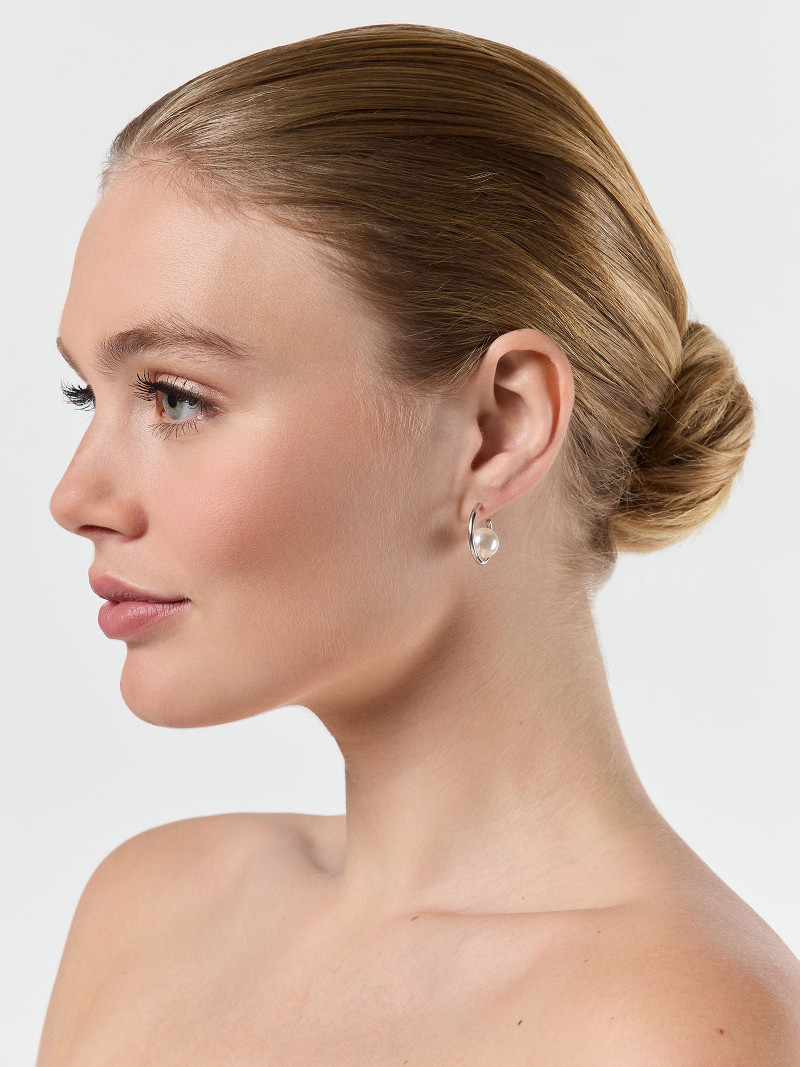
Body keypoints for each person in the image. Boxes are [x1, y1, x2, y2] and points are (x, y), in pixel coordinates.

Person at [36, 22, 800, 1065]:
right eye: (87, 393)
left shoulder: (665, 1028)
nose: (74, 496)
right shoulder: (148, 911)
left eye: (175, 396)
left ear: (498, 428)